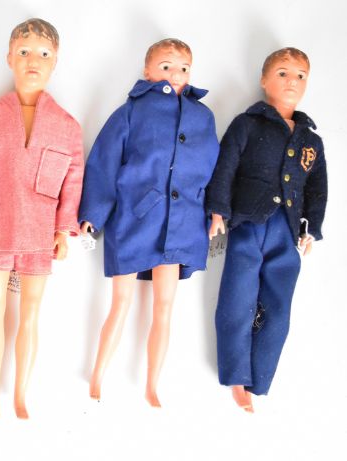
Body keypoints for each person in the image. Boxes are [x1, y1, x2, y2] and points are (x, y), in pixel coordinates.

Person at [79, 38, 219, 407]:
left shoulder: (203, 117)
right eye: (166, 66)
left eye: (184, 68)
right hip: (134, 219)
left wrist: (214, 211)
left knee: (165, 307)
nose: (176, 74)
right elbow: (104, 162)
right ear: (147, 71)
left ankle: (152, 384)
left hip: (180, 224)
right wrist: (93, 214)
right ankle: (97, 375)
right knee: (120, 302)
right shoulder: (132, 111)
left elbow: (212, 170)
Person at [0, 18, 84, 419]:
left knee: (31, 312)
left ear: (55, 62)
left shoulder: (67, 126)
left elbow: (73, 181)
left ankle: (20, 395)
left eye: (44, 54)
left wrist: (63, 228)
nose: (33, 60)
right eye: (24, 52)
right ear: (9, 58)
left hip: (40, 231)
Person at [206, 47, 327, 413]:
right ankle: (236, 374)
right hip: (248, 223)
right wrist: (218, 210)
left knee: (279, 308)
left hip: (287, 232)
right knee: (237, 299)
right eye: (283, 73)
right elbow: (225, 167)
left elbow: (317, 188)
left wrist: (312, 227)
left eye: (301, 76)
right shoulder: (248, 124)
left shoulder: (311, 141)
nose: (292, 82)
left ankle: (260, 378)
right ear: (264, 80)